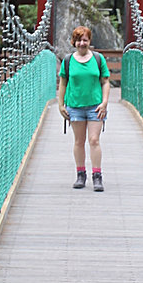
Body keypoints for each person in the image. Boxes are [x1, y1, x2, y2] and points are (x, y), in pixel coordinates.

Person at [57, 25, 110, 191]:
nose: (82, 43)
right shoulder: (68, 61)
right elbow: (63, 83)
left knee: (94, 140)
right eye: (79, 40)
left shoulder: (98, 59)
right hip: (75, 106)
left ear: (89, 41)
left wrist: (105, 102)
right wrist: (60, 104)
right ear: (74, 42)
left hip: (95, 106)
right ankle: (80, 175)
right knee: (79, 141)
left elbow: (105, 81)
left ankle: (97, 176)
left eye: (85, 40)